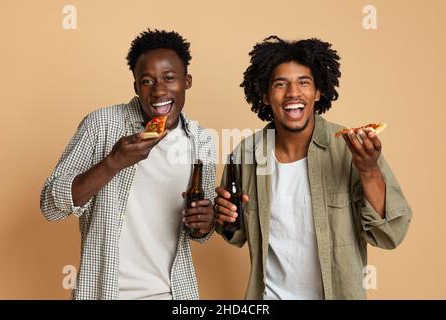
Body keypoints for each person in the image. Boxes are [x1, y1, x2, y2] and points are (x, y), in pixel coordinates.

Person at [214, 36, 412, 300]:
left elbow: (390, 234)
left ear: (318, 92)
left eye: (303, 83)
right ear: (265, 95)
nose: (293, 93)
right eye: (280, 84)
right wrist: (224, 217)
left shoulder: (350, 146)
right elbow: (235, 236)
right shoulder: (246, 154)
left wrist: (368, 170)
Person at [40, 29, 216, 300]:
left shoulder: (201, 141)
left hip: (173, 294)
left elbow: (200, 231)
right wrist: (113, 163)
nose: (159, 91)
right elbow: (50, 205)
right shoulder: (102, 125)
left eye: (169, 78)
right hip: (103, 292)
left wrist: (206, 222)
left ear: (187, 81)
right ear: (136, 86)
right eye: (147, 81)